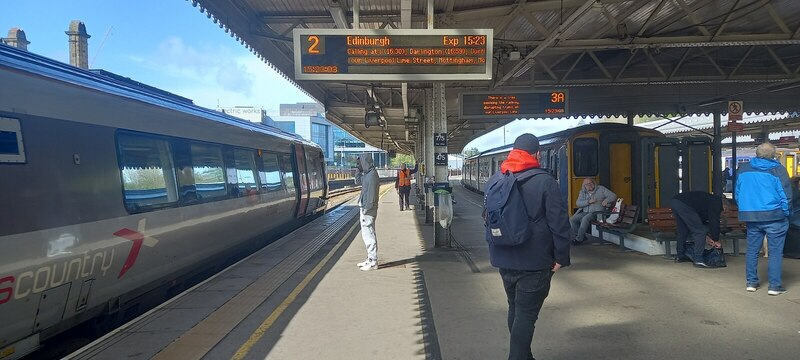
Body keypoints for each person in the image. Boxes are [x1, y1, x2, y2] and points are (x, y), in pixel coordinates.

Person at [486, 134, 571, 360]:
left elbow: (487, 218)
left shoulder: (497, 179)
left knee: (515, 307)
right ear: (537, 155)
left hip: (503, 257)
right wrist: (561, 256)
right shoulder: (545, 181)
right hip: (535, 261)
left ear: (512, 153)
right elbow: (559, 223)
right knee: (526, 314)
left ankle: (525, 355)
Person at [735, 142, 792, 295]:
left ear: (756, 153)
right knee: (775, 252)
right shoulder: (778, 170)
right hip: (774, 216)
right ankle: (774, 286)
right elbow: (786, 196)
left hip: (752, 216)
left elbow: (738, 193)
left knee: (752, 251)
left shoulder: (744, 169)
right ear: (773, 155)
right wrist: (786, 213)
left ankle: (751, 283)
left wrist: (745, 209)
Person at [669, 191, 723, 267]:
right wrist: (716, 239)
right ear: (725, 205)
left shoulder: (708, 200)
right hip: (684, 204)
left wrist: (708, 236)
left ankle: (680, 256)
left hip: (676, 201)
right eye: (726, 210)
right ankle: (698, 259)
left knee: (682, 229)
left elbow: (698, 221)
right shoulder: (717, 202)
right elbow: (714, 221)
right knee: (700, 232)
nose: (724, 212)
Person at [570, 178, 617, 245]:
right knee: (572, 220)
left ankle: (579, 239)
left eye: (591, 183)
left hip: (597, 212)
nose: (590, 185)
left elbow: (613, 196)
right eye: (587, 184)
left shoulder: (601, 189)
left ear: (594, 183)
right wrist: (588, 202)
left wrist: (607, 200)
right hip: (586, 211)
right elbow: (578, 203)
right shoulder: (582, 192)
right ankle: (581, 236)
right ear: (584, 186)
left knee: (585, 219)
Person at [355, 154, 380, 271]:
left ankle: (373, 261)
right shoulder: (368, 175)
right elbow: (357, 181)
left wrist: (366, 209)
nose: (360, 165)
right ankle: (369, 258)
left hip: (368, 209)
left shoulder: (372, 176)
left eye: (361, 163)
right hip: (365, 208)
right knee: (367, 234)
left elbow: (371, 195)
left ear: (366, 162)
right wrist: (358, 170)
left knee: (369, 234)